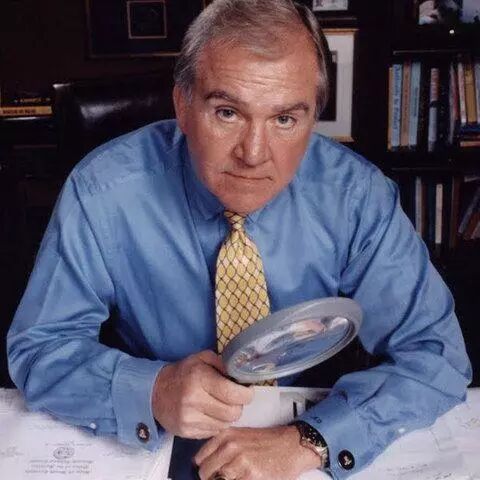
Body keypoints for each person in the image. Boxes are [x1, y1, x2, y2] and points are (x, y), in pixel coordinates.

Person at [7, 1, 471, 479]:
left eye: (285, 120)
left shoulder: (355, 197)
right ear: (182, 106)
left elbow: (436, 355)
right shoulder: (102, 191)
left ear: (313, 117)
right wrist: (153, 390)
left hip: (300, 436)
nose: (253, 154)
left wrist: (312, 440)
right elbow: (39, 348)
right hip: (158, 437)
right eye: (227, 112)